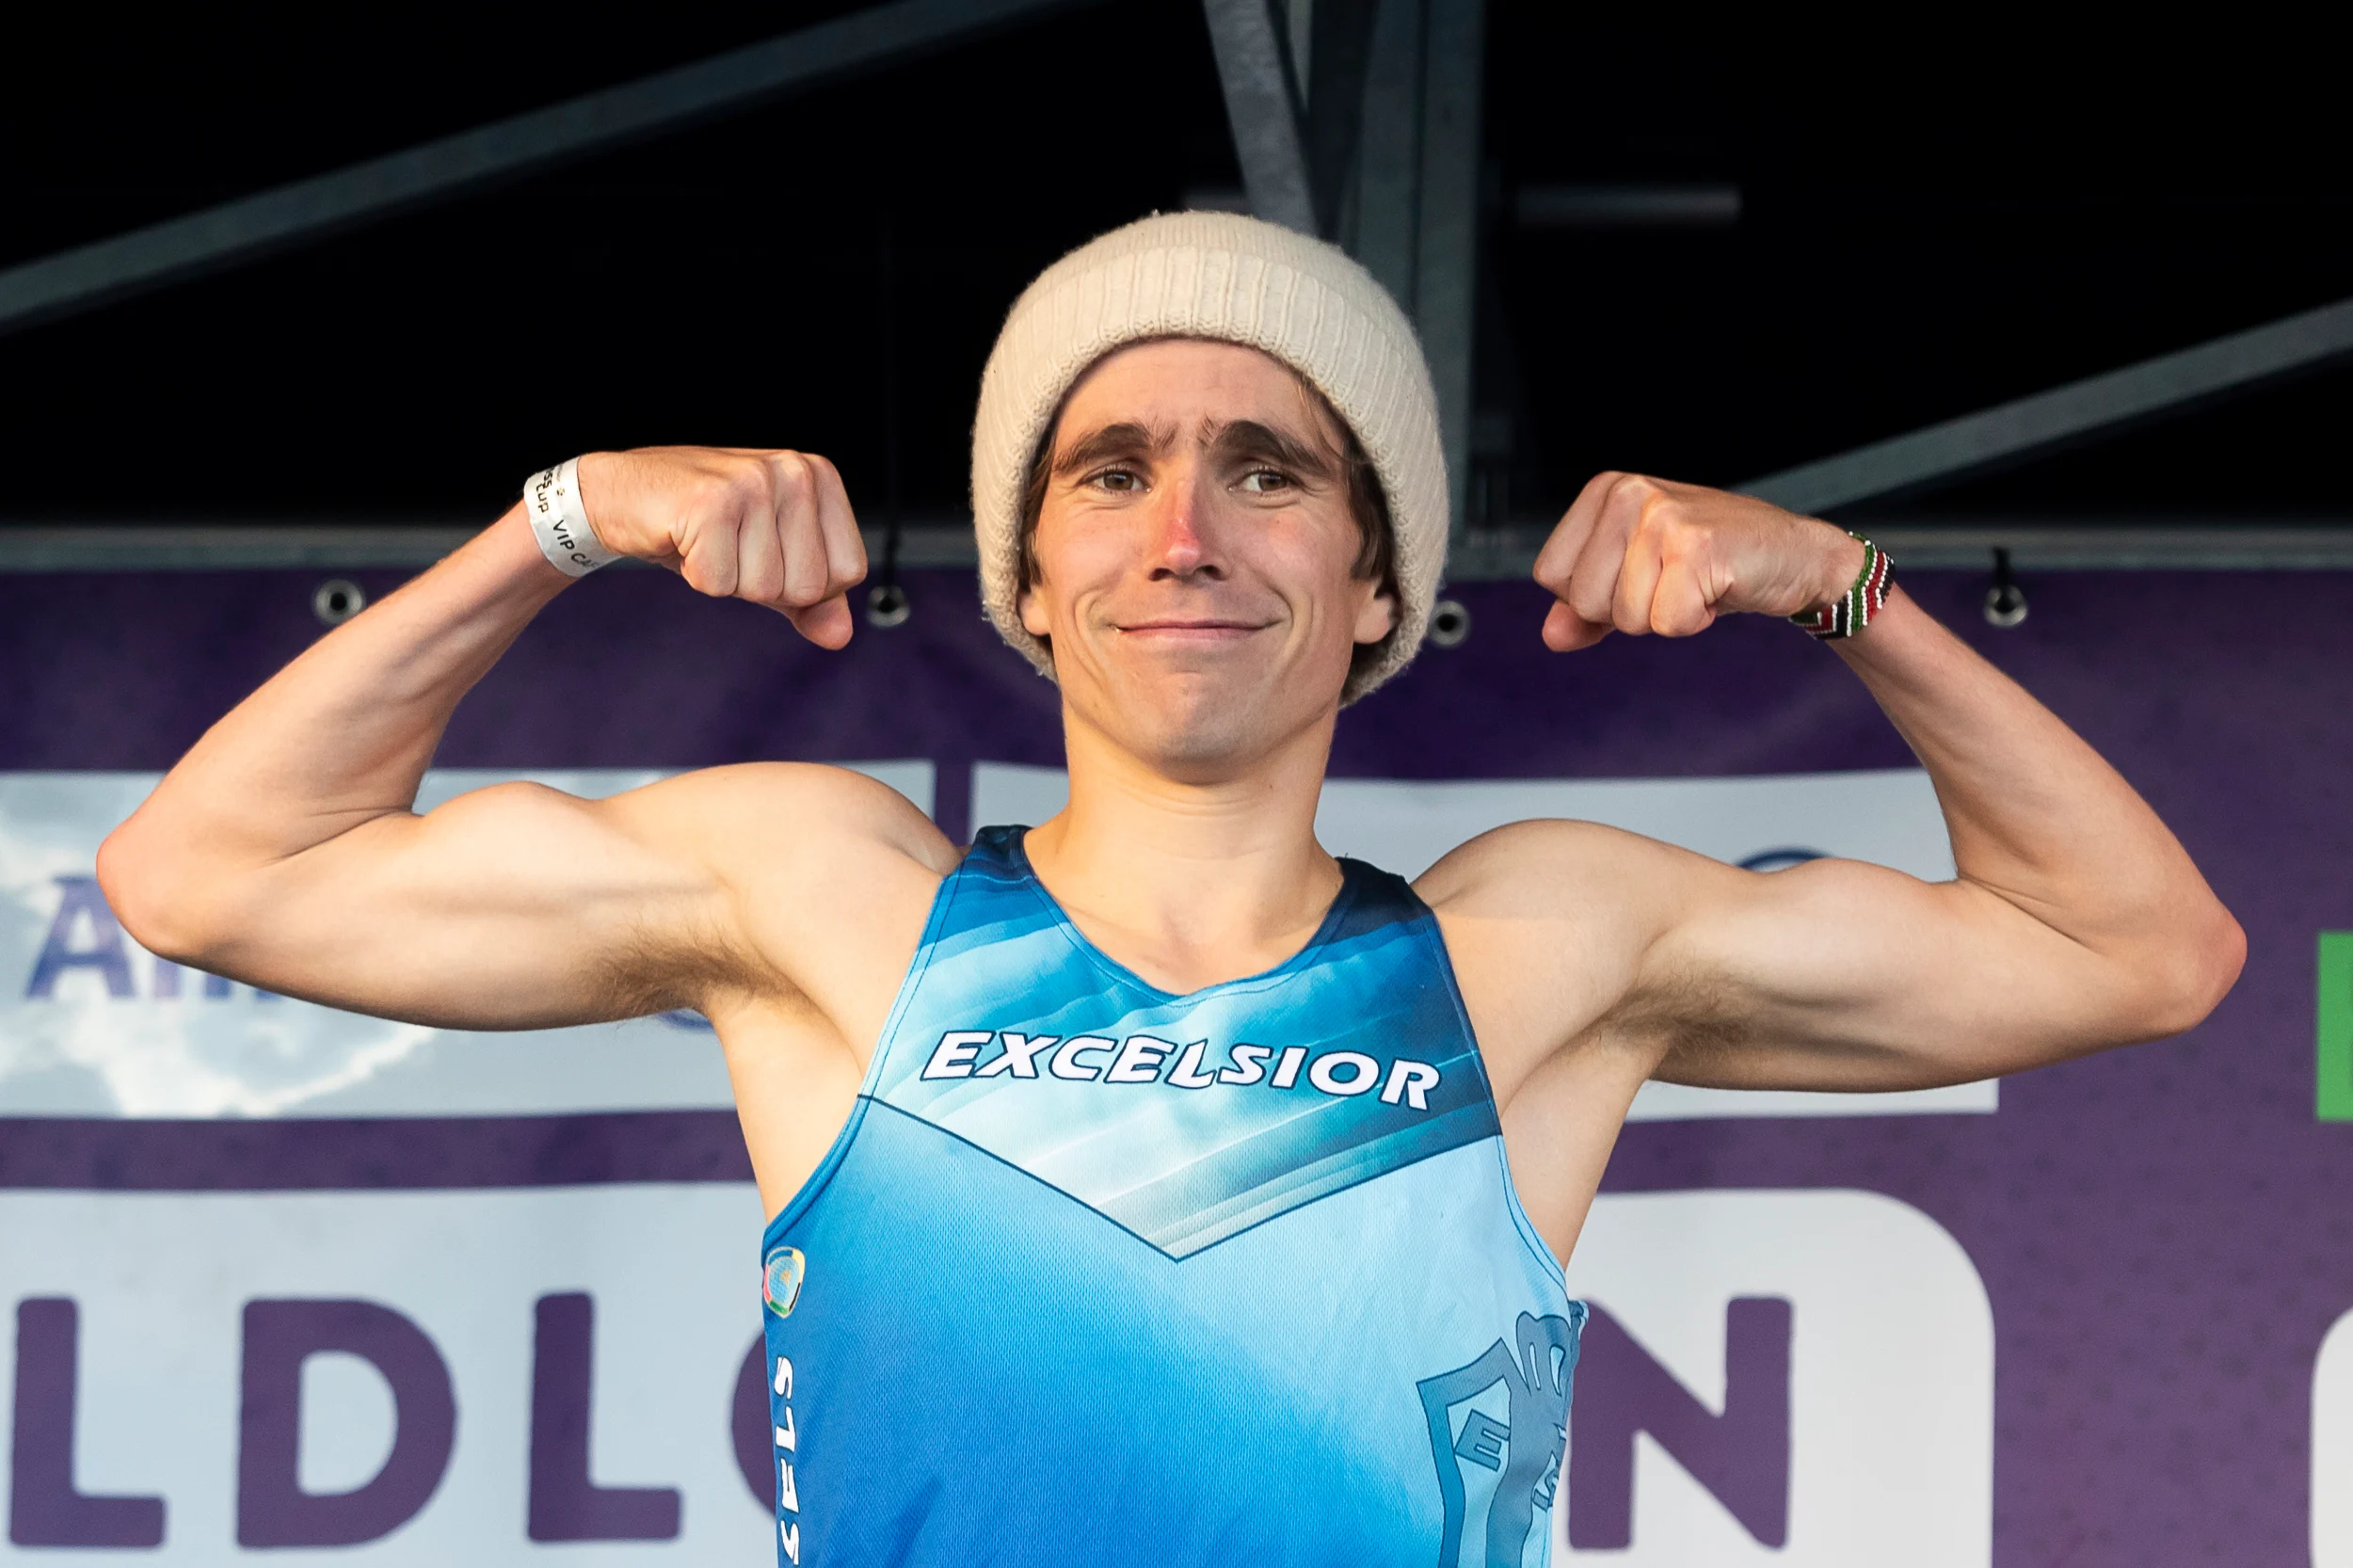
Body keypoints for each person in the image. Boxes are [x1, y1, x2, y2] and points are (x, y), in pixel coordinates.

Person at [98, 213, 2242, 1567]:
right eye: (1107, 471)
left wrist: (1843, 588)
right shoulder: (828, 898)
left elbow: (2140, 950)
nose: (1183, 527)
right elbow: (206, 871)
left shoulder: (1534, 948)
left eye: (1268, 467)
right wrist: (554, 520)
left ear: (1375, 571)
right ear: (1032, 579)